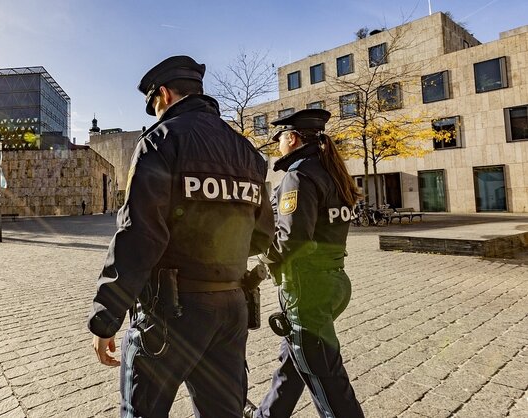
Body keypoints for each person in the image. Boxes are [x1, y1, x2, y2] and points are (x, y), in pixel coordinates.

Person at [88, 55, 274, 418]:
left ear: (164, 94)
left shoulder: (160, 141)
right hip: (231, 307)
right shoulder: (247, 152)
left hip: (171, 312)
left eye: (154, 104)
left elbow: (139, 237)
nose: (155, 112)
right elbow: (263, 234)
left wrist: (106, 317)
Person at [246, 109, 365, 418]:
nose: (277, 147)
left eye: (279, 140)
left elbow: (292, 239)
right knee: (294, 364)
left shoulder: (298, 176)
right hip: (333, 282)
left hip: (306, 291)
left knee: (330, 387)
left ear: (292, 137)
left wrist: (256, 273)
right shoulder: (331, 173)